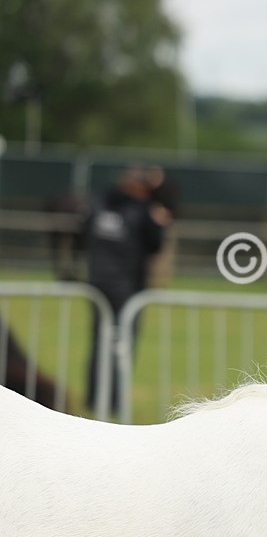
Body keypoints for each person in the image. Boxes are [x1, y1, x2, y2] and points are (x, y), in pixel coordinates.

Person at [81, 166, 172, 413]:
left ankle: (94, 397)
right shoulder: (142, 211)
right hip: (127, 288)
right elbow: (155, 245)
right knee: (123, 345)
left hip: (97, 284)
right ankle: (114, 399)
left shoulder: (99, 205)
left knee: (99, 342)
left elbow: (83, 235)